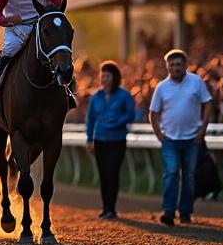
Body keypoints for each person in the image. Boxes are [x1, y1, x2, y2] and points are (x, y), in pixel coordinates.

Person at [148, 49, 212, 226]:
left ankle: (185, 211)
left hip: (192, 138)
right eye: (172, 65)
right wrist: (159, 135)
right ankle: (169, 211)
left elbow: (208, 103)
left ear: (185, 65)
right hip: (170, 139)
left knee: (189, 176)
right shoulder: (161, 87)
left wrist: (203, 129)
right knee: (171, 173)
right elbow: (153, 113)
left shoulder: (196, 82)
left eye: (178, 64)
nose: (175, 68)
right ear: (167, 66)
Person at [85, 61, 135, 220]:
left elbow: (131, 114)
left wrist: (117, 122)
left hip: (117, 139)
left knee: (112, 172)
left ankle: (111, 208)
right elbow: (90, 118)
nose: (105, 79)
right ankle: (105, 207)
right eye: (103, 76)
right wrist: (89, 139)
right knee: (103, 174)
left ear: (114, 77)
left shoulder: (124, 95)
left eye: (108, 76)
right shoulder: (96, 96)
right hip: (100, 139)